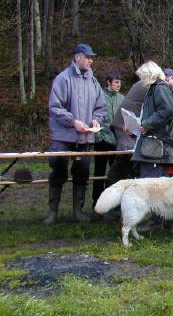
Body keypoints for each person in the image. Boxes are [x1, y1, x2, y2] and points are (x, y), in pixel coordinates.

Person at [44, 44, 107, 224]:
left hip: (86, 137)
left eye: (91, 57)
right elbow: (55, 107)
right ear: (77, 57)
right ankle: (52, 212)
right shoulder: (63, 79)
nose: (91, 60)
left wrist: (96, 120)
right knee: (58, 171)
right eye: (87, 57)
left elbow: (101, 107)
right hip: (64, 136)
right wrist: (73, 121)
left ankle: (78, 212)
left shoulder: (93, 81)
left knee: (82, 174)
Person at [131, 61, 173, 178]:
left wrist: (146, 124)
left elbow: (168, 110)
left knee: (151, 189)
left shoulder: (160, 88)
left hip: (157, 149)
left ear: (149, 75)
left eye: (142, 76)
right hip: (155, 148)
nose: (141, 80)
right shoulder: (155, 88)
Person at [92, 71, 124, 215]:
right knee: (99, 173)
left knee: (116, 174)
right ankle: (96, 203)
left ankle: (115, 204)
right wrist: (98, 137)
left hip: (117, 141)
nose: (118, 85)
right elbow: (94, 116)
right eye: (116, 82)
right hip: (102, 140)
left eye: (120, 82)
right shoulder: (100, 97)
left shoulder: (122, 99)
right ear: (108, 82)